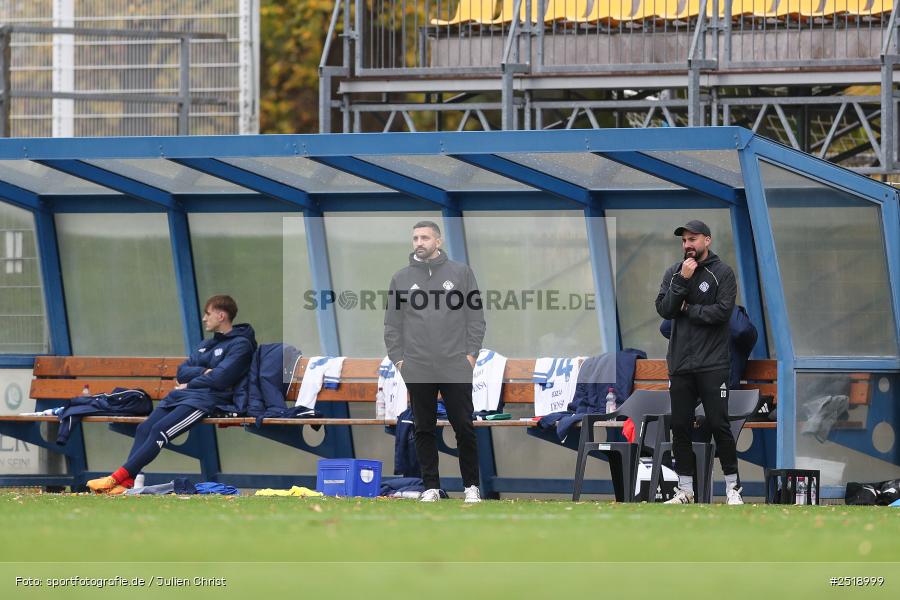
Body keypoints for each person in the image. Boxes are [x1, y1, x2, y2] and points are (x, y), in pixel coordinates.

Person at [87, 295, 257, 494]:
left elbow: (220, 379)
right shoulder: (206, 345)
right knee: (144, 428)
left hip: (206, 401)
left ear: (221, 315)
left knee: (160, 431)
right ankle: (126, 484)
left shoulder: (241, 345)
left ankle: (115, 479)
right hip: (181, 396)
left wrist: (191, 382)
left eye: (207, 314)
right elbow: (181, 371)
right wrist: (203, 372)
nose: (204, 318)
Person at [384, 221, 486, 503]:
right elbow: (392, 325)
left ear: (438, 242)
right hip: (416, 364)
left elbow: (475, 318)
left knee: (463, 426)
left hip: (455, 363)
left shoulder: (461, 273)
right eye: (415, 237)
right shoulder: (401, 278)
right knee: (422, 427)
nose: (419, 242)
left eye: (425, 237)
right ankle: (431, 487)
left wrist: (470, 355)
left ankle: (471, 487)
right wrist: (400, 361)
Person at [654, 220, 743, 505]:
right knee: (679, 425)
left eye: (693, 239)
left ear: (707, 240)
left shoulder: (722, 273)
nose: (687, 245)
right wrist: (681, 281)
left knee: (719, 424)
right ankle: (686, 491)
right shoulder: (673, 273)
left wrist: (689, 309)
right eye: (684, 241)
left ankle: (733, 489)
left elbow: (722, 312)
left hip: (713, 364)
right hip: (680, 364)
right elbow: (665, 310)